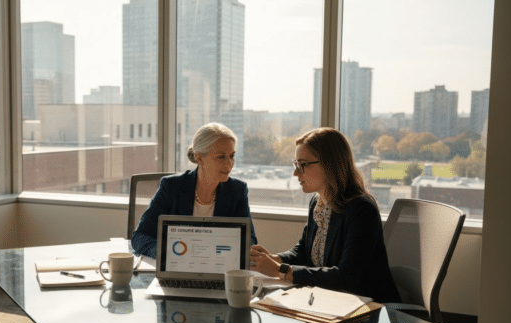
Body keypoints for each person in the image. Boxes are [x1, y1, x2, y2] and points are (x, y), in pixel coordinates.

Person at [251, 128, 400, 303]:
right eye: (295, 164)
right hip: (330, 303)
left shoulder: (361, 210)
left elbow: (346, 277)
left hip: (367, 310)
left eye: (303, 164)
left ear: (330, 165)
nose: (296, 173)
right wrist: (273, 260)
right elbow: (304, 252)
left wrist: (280, 270)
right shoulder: (318, 203)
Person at [131, 122, 257, 258]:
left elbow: (249, 240)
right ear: (200, 158)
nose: (229, 164)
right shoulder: (172, 186)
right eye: (221, 157)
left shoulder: (237, 190)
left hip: (217, 267)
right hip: (178, 265)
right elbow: (140, 236)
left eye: (231, 156)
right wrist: (166, 254)